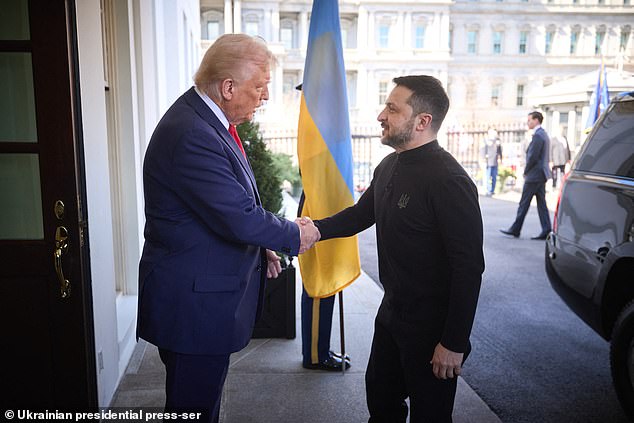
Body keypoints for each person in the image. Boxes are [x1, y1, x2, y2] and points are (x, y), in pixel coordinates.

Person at [137, 34, 320, 423]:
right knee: (193, 409)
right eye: (260, 87)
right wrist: (293, 234)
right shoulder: (193, 134)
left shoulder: (204, 121)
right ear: (228, 87)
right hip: (194, 307)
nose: (265, 97)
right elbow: (237, 214)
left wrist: (261, 245)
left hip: (197, 297)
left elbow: (222, 208)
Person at [300, 75, 484, 422]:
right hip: (391, 317)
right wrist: (314, 230)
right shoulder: (389, 165)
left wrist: (454, 343)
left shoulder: (450, 181)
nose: (381, 115)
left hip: (433, 332)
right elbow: (360, 215)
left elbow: (469, 268)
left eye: (392, 109)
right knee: (382, 407)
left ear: (422, 122)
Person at [295, 84, 350, 371]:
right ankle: (316, 356)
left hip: (324, 211)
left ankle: (321, 349)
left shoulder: (322, 134)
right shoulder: (318, 136)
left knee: (324, 286)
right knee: (319, 287)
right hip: (319, 212)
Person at [500, 111, 552, 240]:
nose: (528, 123)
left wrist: (526, 171)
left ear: (536, 120)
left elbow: (533, 157)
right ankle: (546, 229)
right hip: (540, 175)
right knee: (541, 204)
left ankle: (516, 229)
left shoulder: (538, 136)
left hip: (534, 175)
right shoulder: (543, 134)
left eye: (529, 120)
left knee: (524, 203)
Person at [480, 127, 503, 196]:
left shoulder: (497, 140)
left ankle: (492, 190)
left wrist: (500, 158)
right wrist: (483, 158)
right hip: (488, 161)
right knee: (487, 176)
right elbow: (483, 150)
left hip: (495, 161)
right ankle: (488, 190)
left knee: (494, 176)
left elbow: (500, 150)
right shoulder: (486, 140)